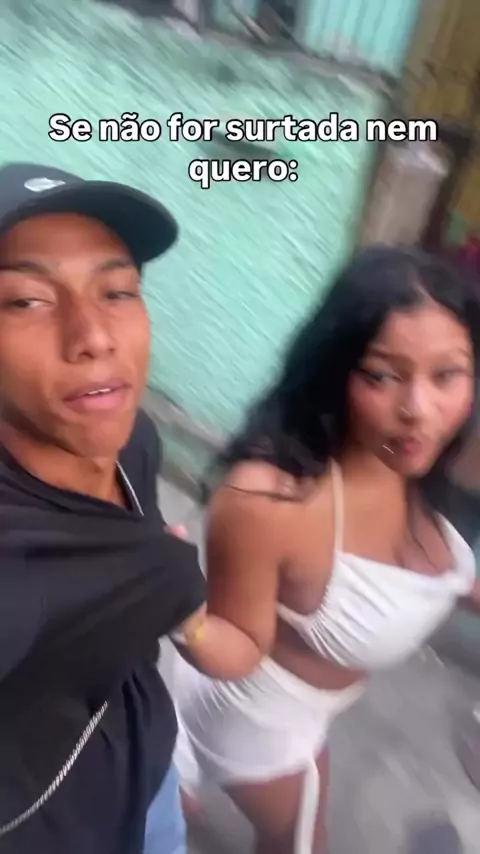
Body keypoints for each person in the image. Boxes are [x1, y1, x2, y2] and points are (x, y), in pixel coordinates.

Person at [173, 246, 480, 854]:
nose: (419, 411)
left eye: (446, 375)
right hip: (261, 721)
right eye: (382, 375)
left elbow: (439, 574)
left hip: (313, 712)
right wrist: (180, 613)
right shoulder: (274, 501)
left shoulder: (426, 466)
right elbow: (235, 646)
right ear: (337, 369)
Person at [0, 163, 265, 854]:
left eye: (117, 291)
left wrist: (175, 611)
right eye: (25, 301)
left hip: (149, 780)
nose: (94, 335)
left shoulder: (133, 441)